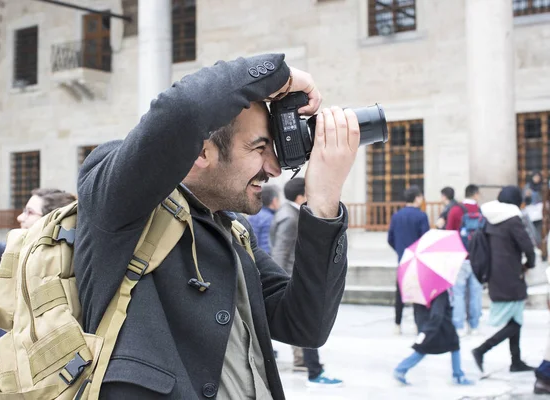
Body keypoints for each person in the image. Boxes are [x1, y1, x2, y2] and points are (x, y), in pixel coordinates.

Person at [74, 54, 357, 398]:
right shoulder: (119, 201)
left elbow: (306, 325)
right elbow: (183, 110)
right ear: (201, 152)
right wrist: (282, 77)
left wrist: (324, 203)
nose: (274, 169)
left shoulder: (232, 229)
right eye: (259, 148)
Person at [0, 188, 77, 381]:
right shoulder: (16, 253)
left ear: (49, 219)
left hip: (39, 378)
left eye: (29, 212)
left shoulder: (72, 265)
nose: (20, 217)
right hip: (5, 373)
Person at [270, 178, 342, 386]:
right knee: (309, 321)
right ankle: (314, 370)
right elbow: (280, 251)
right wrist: (284, 282)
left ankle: (307, 364)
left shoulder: (287, 213)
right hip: (292, 277)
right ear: (301, 196)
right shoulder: (290, 218)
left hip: (293, 275)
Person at [472, 186, 536, 374]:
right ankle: (481, 350)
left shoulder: (489, 219)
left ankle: (516, 362)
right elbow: (527, 246)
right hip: (511, 275)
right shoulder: (512, 219)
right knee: (515, 323)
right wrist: (530, 264)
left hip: (495, 275)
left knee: (515, 318)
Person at [393, 291, 474, 386]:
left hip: (427, 323)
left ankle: (458, 374)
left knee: (427, 349)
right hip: (440, 326)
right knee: (427, 348)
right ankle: (401, 368)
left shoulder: (420, 288)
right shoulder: (439, 290)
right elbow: (437, 313)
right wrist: (429, 330)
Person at [388, 186, 430, 334]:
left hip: (402, 259)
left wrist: (400, 251)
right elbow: (425, 238)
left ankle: (397, 325)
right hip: (417, 259)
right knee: (417, 293)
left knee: (400, 293)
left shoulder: (396, 215)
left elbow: (390, 238)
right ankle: (418, 325)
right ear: (417, 198)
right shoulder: (421, 216)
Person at [446, 184, 483, 337]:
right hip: (477, 259)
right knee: (475, 294)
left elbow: (449, 234)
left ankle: (459, 326)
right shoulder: (481, 211)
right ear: (475, 194)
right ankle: (474, 326)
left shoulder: (455, 210)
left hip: (460, 258)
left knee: (459, 293)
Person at [247, 185, 279, 254]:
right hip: (264, 258)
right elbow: (267, 246)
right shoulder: (270, 218)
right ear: (274, 200)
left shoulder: (254, 214)